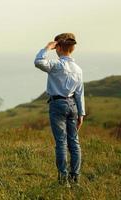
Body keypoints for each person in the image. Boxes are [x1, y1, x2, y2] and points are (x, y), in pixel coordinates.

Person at [34, 33, 85, 187]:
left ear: (59, 47)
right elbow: (79, 93)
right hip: (73, 106)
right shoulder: (78, 69)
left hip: (57, 104)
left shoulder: (57, 66)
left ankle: (63, 180)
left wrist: (46, 48)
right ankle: (75, 177)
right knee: (74, 143)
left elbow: (38, 62)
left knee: (61, 142)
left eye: (56, 46)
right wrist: (81, 113)